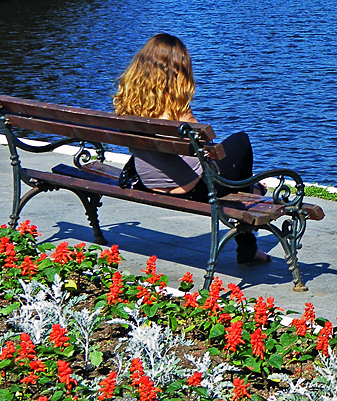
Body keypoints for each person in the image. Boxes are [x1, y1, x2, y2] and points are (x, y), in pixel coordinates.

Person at [113, 33, 271, 266]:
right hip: (193, 187)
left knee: (233, 161)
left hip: (150, 182)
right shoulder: (177, 107)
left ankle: (250, 189)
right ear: (178, 68)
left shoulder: (128, 102)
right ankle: (247, 241)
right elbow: (204, 145)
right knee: (241, 141)